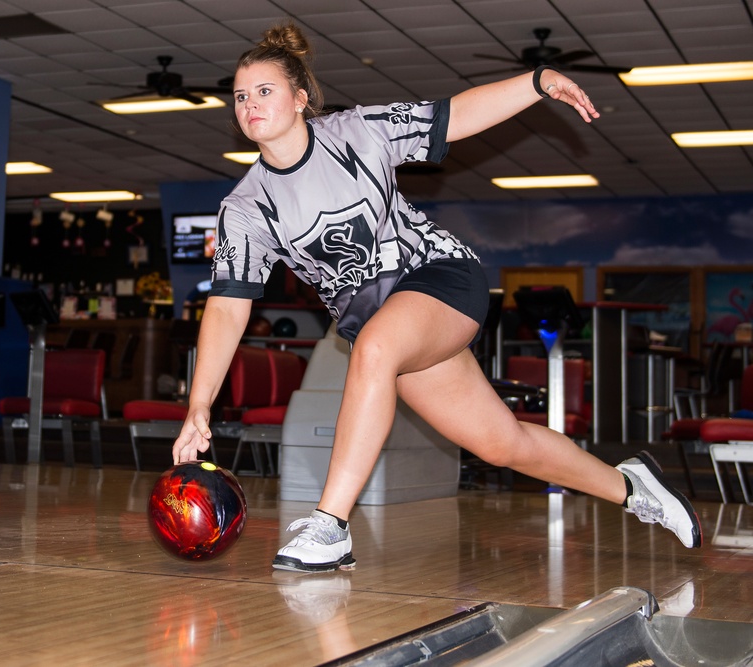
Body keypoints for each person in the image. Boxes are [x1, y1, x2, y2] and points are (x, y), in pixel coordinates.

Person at [172, 22, 702, 573]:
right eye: (240, 96)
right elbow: (228, 307)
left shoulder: (358, 132)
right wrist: (199, 405)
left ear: (301, 99)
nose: (250, 104)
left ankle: (330, 524)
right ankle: (632, 486)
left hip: (440, 277)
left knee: (373, 350)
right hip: (387, 325)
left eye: (264, 91)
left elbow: (456, 114)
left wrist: (537, 81)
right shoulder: (245, 209)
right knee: (502, 444)